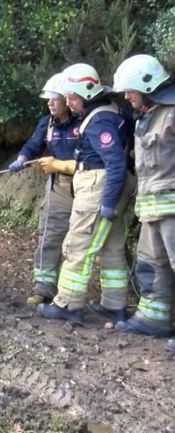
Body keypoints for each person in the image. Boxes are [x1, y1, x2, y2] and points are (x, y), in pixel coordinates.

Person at [37, 63, 136, 324]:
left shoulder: (98, 120)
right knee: (112, 247)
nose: (67, 104)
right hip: (112, 183)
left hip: (97, 184)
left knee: (77, 244)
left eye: (71, 98)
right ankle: (114, 306)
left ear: (87, 94)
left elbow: (113, 162)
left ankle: (68, 304)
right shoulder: (113, 112)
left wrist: (106, 200)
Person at [112, 54, 174, 342]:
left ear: (147, 85)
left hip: (171, 210)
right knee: (151, 265)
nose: (126, 96)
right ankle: (153, 319)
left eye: (130, 90)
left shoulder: (171, 113)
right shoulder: (147, 116)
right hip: (151, 210)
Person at [7, 73, 81, 305]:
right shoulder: (47, 123)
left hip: (87, 184)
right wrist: (22, 158)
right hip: (60, 187)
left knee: (87, 241)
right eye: (47, 99)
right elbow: (33, 145)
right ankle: (43, 288)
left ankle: (88, 296)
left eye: (54, 98)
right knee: (49, 233)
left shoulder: (84, 121)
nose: (49, 103)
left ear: (67, 98)